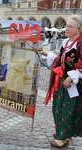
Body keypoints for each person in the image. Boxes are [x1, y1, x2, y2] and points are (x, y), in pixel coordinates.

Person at [40, 15, 82, 148]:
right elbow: (60, 59)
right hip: (61, 82)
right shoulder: (67, 43)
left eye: (70, 26)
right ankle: (62, 133)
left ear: (79, 30)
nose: (66, 28)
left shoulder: (80, 44)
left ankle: (62, 137)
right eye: (67, 26)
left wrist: (71, 77)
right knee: (58, 108)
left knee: (67, 110)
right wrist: (47, 54)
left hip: (73, 85)